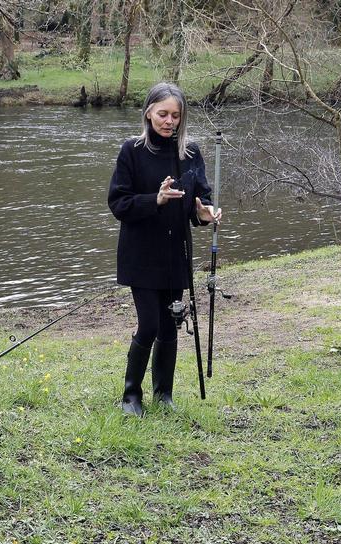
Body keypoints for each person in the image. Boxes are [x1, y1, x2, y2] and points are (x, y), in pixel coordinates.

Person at [107, 82, 222, 415]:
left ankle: (164, 394)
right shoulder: (132, 150)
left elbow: (202, 199)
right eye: (163, 114)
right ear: (148, 113)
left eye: (175, 115)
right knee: (149, 325)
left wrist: (205, 213)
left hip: (176, 254)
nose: (169, 121)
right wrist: (154, 199)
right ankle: (131, 395)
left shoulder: (190, 153)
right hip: (140, 254)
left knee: (171, 323)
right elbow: (118, 203)